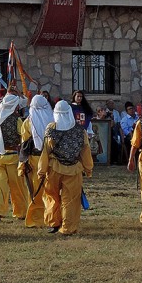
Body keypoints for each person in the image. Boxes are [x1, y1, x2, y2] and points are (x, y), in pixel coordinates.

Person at [35, 99, 94, 236]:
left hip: (54, 169)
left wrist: (41, 171)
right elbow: (85, 150)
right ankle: (68, 227)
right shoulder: (80, 130)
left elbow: (46, 151)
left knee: (52, 197)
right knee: (71, 200)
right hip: (74, 169)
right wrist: (88, 168)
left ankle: (54, 223)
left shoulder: (51, 129)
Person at [0, 93, 29, 224]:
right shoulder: (16, 120)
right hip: (13, 156)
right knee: (17, 186)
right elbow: (23, 137)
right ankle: (21, 212)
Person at [20, 94, 54, 229]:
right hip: (50, 160)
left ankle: (35, 219)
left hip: (35, 160)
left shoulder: (27, 123)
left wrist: (22, 163)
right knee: (50, 189)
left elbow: (24, 144)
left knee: (35, 190)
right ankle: (51, 217)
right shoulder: (53, 121)